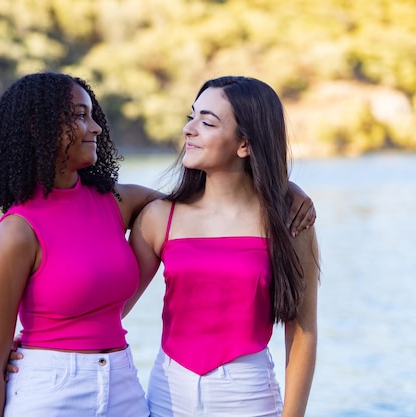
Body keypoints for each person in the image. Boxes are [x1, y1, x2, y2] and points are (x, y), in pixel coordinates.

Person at [0, 71, 315, 417]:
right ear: (40, 128)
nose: (96, 128)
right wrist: (38, 351)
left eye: (207, 122)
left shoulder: (122, 202)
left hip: (156, 390)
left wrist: (285, 189)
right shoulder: (23, 229)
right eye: (81, 116)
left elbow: (302, 330)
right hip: (100, 389)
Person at [124, 76, 320, 417]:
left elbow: (302, 332)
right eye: (192, 116)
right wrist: (33, 342)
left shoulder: (290, 221)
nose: (189, 130)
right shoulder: (159, 218)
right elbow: (110, 309)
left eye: (208, 122)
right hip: (168, 393)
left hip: (248, 396)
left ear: (244, 144)